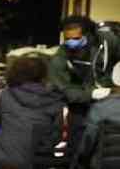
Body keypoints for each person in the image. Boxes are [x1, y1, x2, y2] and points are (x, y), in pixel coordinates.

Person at [48, 16, 120, 149]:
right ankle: (77, 164)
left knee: (109, 138)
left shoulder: (108, 41)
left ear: (89, 35)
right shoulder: (61, 55)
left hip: (107, 100)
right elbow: (66, 90)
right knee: (78, 139)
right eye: (67, 39)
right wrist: (93, 93)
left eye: (75, 39)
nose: (71, 43)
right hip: (79, 101)